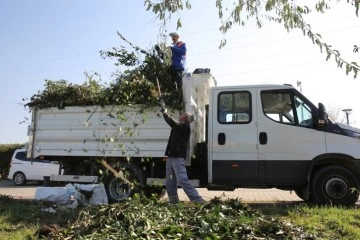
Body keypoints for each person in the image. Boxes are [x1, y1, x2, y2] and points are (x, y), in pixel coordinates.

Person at [161, 106, 204, 204]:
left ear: (185, 119)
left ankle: (198, 200)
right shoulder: (180, 126)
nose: (181, 114)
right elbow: (173, 123)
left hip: (177, 157)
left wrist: (165, 113)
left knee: (182, 180)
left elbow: (173, 123)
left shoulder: (185, 127)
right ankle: (173, 202)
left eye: (183, 114)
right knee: (169, 183)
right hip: (171, 156)